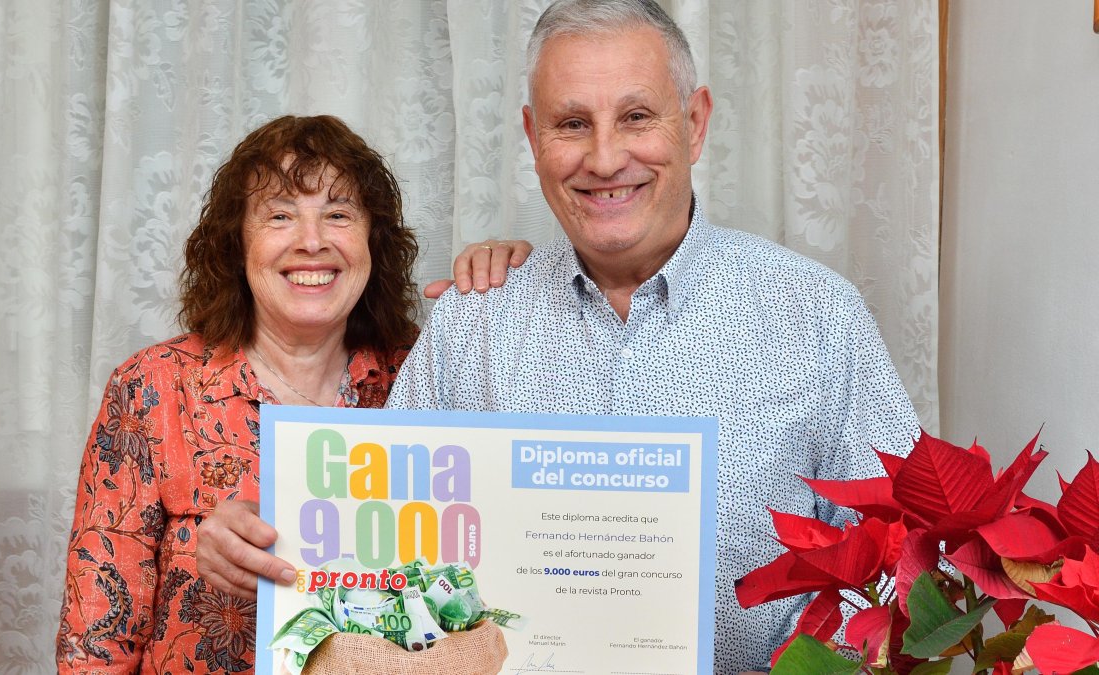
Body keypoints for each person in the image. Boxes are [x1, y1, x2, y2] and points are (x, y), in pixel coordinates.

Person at [196, 2, 920, 672]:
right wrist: (273, 540)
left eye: (636, 116)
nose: (604, 159)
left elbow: (908, 556)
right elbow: (381, 559)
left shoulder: (817, 317)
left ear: (695, 123)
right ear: (532, 136)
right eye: (572, 123)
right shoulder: (473, 323)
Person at [56, 114, 527, 673]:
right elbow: (95, 645)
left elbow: (502, 548)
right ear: (237, 245)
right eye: (280, 216)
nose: (311, 241)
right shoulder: (154, 387)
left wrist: (524, 287)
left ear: (373, 243)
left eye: (338, 214)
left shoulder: (431, 373)